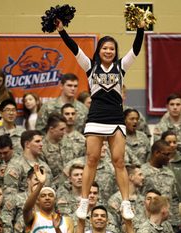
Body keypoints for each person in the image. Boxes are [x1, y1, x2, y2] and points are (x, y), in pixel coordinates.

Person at [56, 15, 147, 220]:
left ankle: (125, 203)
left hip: (115, 118)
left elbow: (136, 49)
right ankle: (84, 201)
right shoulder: (90, 66)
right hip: (96, 117)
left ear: (115, 52)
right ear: (99, 51)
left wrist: (141, 29)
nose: (108, 51)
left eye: (112, 49)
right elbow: (74, 48)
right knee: (91, 160)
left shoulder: (121, 67)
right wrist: (61, 30)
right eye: (105, 48)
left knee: (119, 161)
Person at [23, 164, 74, 233]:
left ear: (55, 200)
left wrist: (57, 229)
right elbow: (26, 209)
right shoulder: (33, 217)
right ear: (38, 200)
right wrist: (40, 184)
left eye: (50, 195)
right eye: (43, 196)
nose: (47, 198)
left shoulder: (67, 221)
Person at [3, 130, 52, 194]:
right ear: (27, 144)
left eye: (41, 141)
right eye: (37, 141)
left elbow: (51, 188)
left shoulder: (44, 166)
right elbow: (10, 194)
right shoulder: (15, 165)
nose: (41, 144)